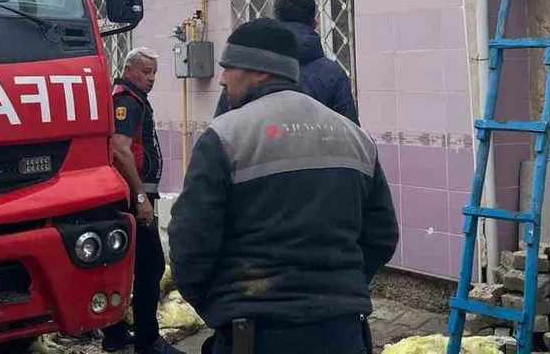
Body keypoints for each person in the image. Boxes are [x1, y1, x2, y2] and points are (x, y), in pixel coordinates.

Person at [169, 19, 398, 354]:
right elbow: (382, 236)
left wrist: (219, 305)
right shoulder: (354, 137)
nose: (221, 78)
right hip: (343, 331)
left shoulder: (225, 136)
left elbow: (190, 242)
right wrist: (339, 289)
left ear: (260, 72)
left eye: (228, 67)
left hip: (256, 333)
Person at [103, 48, 183, 354]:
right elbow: (120, 149)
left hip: (129, 196)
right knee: (151, 268)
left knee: (123, 265)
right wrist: (140, 199)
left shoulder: (131, 98)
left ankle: (115, 335)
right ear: (130, 69)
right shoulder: (127, 101)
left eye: (154, 72)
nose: (151, 78)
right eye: (146, 71)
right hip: (132, 197)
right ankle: (147, 339)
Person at [213, 0, 358, 124]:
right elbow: (351, 132)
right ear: (315, 24)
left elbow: (219, 131)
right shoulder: (333, 74)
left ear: (276, 23)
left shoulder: (253, 71)